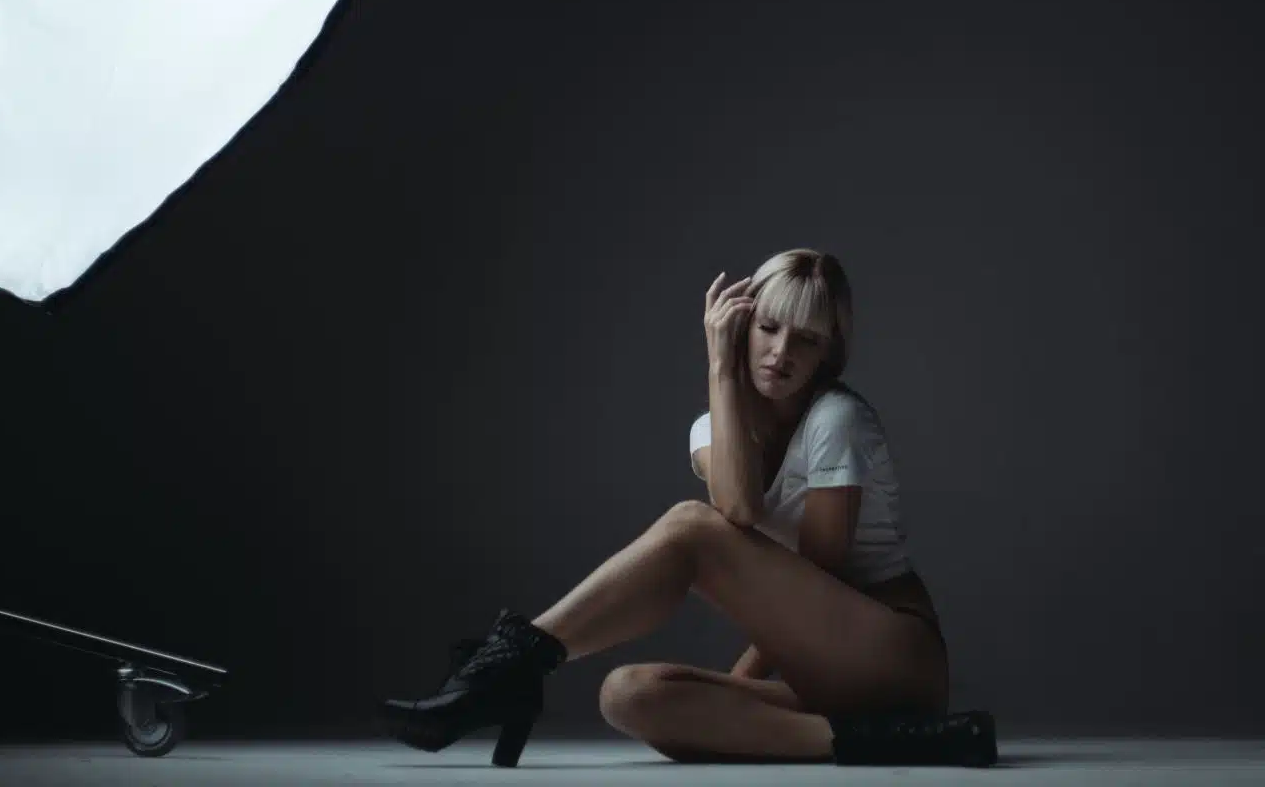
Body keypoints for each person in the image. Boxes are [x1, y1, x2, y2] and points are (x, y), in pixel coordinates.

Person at [378, 248, 996, 766]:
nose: (781, 352)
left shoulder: (837, 420)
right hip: (831, 678)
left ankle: (504, 670)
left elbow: (801, 568)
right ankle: (902, 744)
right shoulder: (712, 428)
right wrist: (721, 371)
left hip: (895, 657)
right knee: (629, 694)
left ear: (827, 354)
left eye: (806, 340)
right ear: (742, 321)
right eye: (769, 328)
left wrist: (720, 363)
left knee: (691, 527)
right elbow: (741, 508)